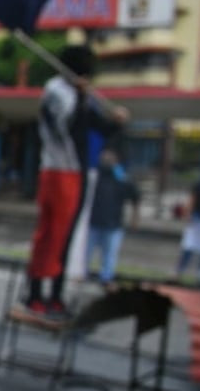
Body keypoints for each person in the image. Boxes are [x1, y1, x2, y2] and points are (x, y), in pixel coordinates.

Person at [24, 45, 128, 320]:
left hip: (77, 173)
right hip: (58, 171)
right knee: (50, 234)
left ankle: (55, 295)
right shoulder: (57, 91)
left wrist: (116, 122)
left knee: (67, 236)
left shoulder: (82, 95)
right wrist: (81, 98)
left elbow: (98, 127)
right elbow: (64, 126)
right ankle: (35, 293)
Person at [84, 148, 141, 287]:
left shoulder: (121, 177)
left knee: (109, 254)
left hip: (113, 223)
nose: (106, 157)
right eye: (105, 154)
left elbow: (135, 197)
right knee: (86, 252)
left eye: (110, 155)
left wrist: (135, 217)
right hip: (93, 221)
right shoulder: (95, 174)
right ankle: (82, 273)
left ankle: (106, 278)